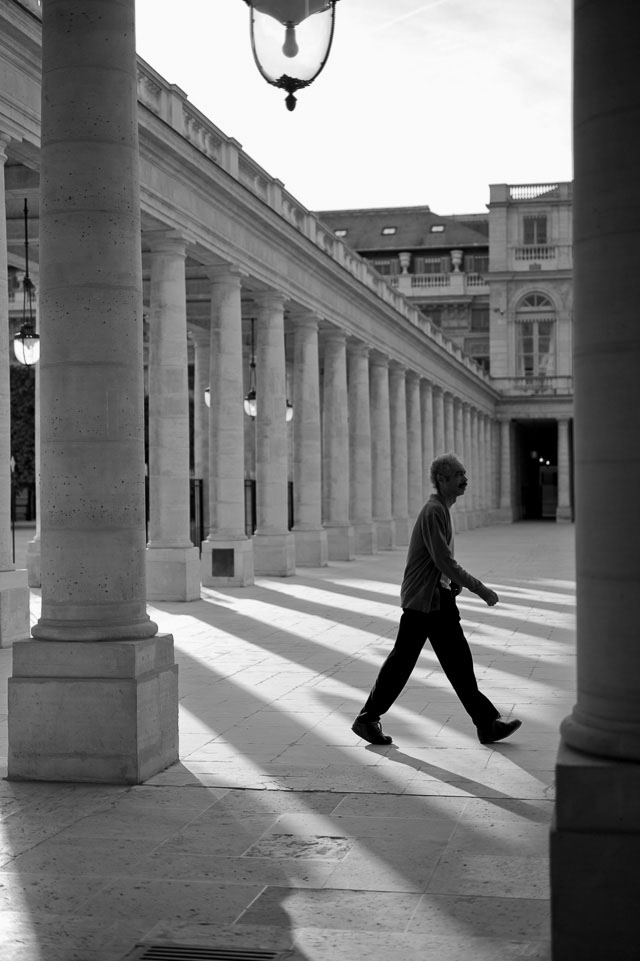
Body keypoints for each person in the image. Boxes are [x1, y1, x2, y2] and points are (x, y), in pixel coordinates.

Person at [352, 453, 522, 746]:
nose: (464, 480)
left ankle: (485, 724)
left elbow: (440, 563)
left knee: (444, 663)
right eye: (458, 475)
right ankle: (368, 719)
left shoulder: (441, 509)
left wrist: (452, 584)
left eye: (464, 474)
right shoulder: (434, 511)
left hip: (433, 599)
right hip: (425, 602)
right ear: (442, 480)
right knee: (415, 663)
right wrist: (480, 589)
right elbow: (443, 560)